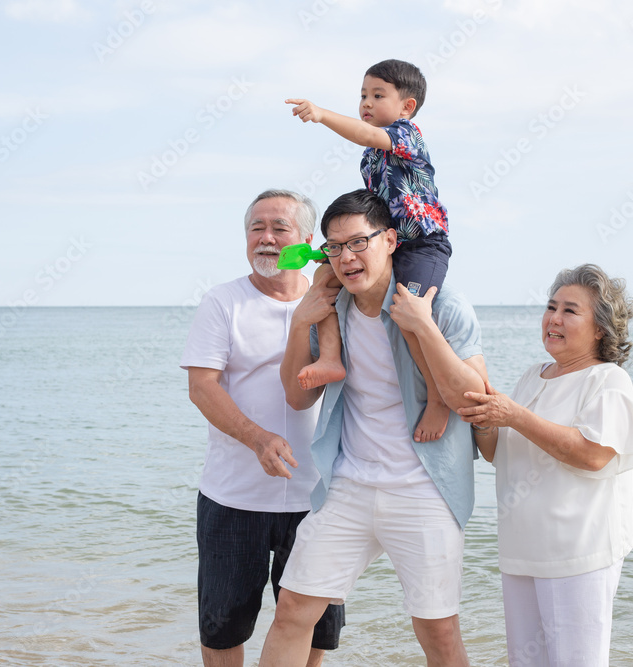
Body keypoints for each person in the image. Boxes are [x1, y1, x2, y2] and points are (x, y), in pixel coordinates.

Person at [258, 189, 487, 667]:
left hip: (424, 488)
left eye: (358, 242)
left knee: (438, 632)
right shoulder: (331, 306)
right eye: (335, 246)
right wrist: (302, 318)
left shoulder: (445, 307)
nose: (346, 257)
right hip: (350, 484)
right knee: (292, 610)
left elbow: (472, 400)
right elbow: (297, 395)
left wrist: (422, 326)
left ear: (390, 240)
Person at [457, 264, 633, 667]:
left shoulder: (608, 381)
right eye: (551, 307)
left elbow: (592, 454)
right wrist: (484, 421)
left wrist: (513, 415)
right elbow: (500, 453)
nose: (554, 318)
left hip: (579, 552)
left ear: (600, 328)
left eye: (570, 310)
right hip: (522, 548)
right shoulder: (534, 376)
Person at [180, 189, 345, 667]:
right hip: (233, 496)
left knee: (316, 626)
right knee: (222, 623)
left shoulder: (336, 302)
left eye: (279, 228)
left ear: (308, 239)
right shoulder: (222, 302)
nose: (266, 239)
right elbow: (202, 388)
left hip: (319, 497)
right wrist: (257, 438)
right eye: (257, 228)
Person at [285, 59, 453, 443]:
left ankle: (438, 397)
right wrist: (340, 247)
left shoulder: (407, 135)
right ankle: (329, 357)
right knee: (324, 278)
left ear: (406, 106)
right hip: (385, 242)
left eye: (378, 95)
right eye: (363, 95)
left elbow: (364, 133)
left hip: (423, 242)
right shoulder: (371, 157)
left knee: (409, 312)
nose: (366, 102)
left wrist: (322, 114)